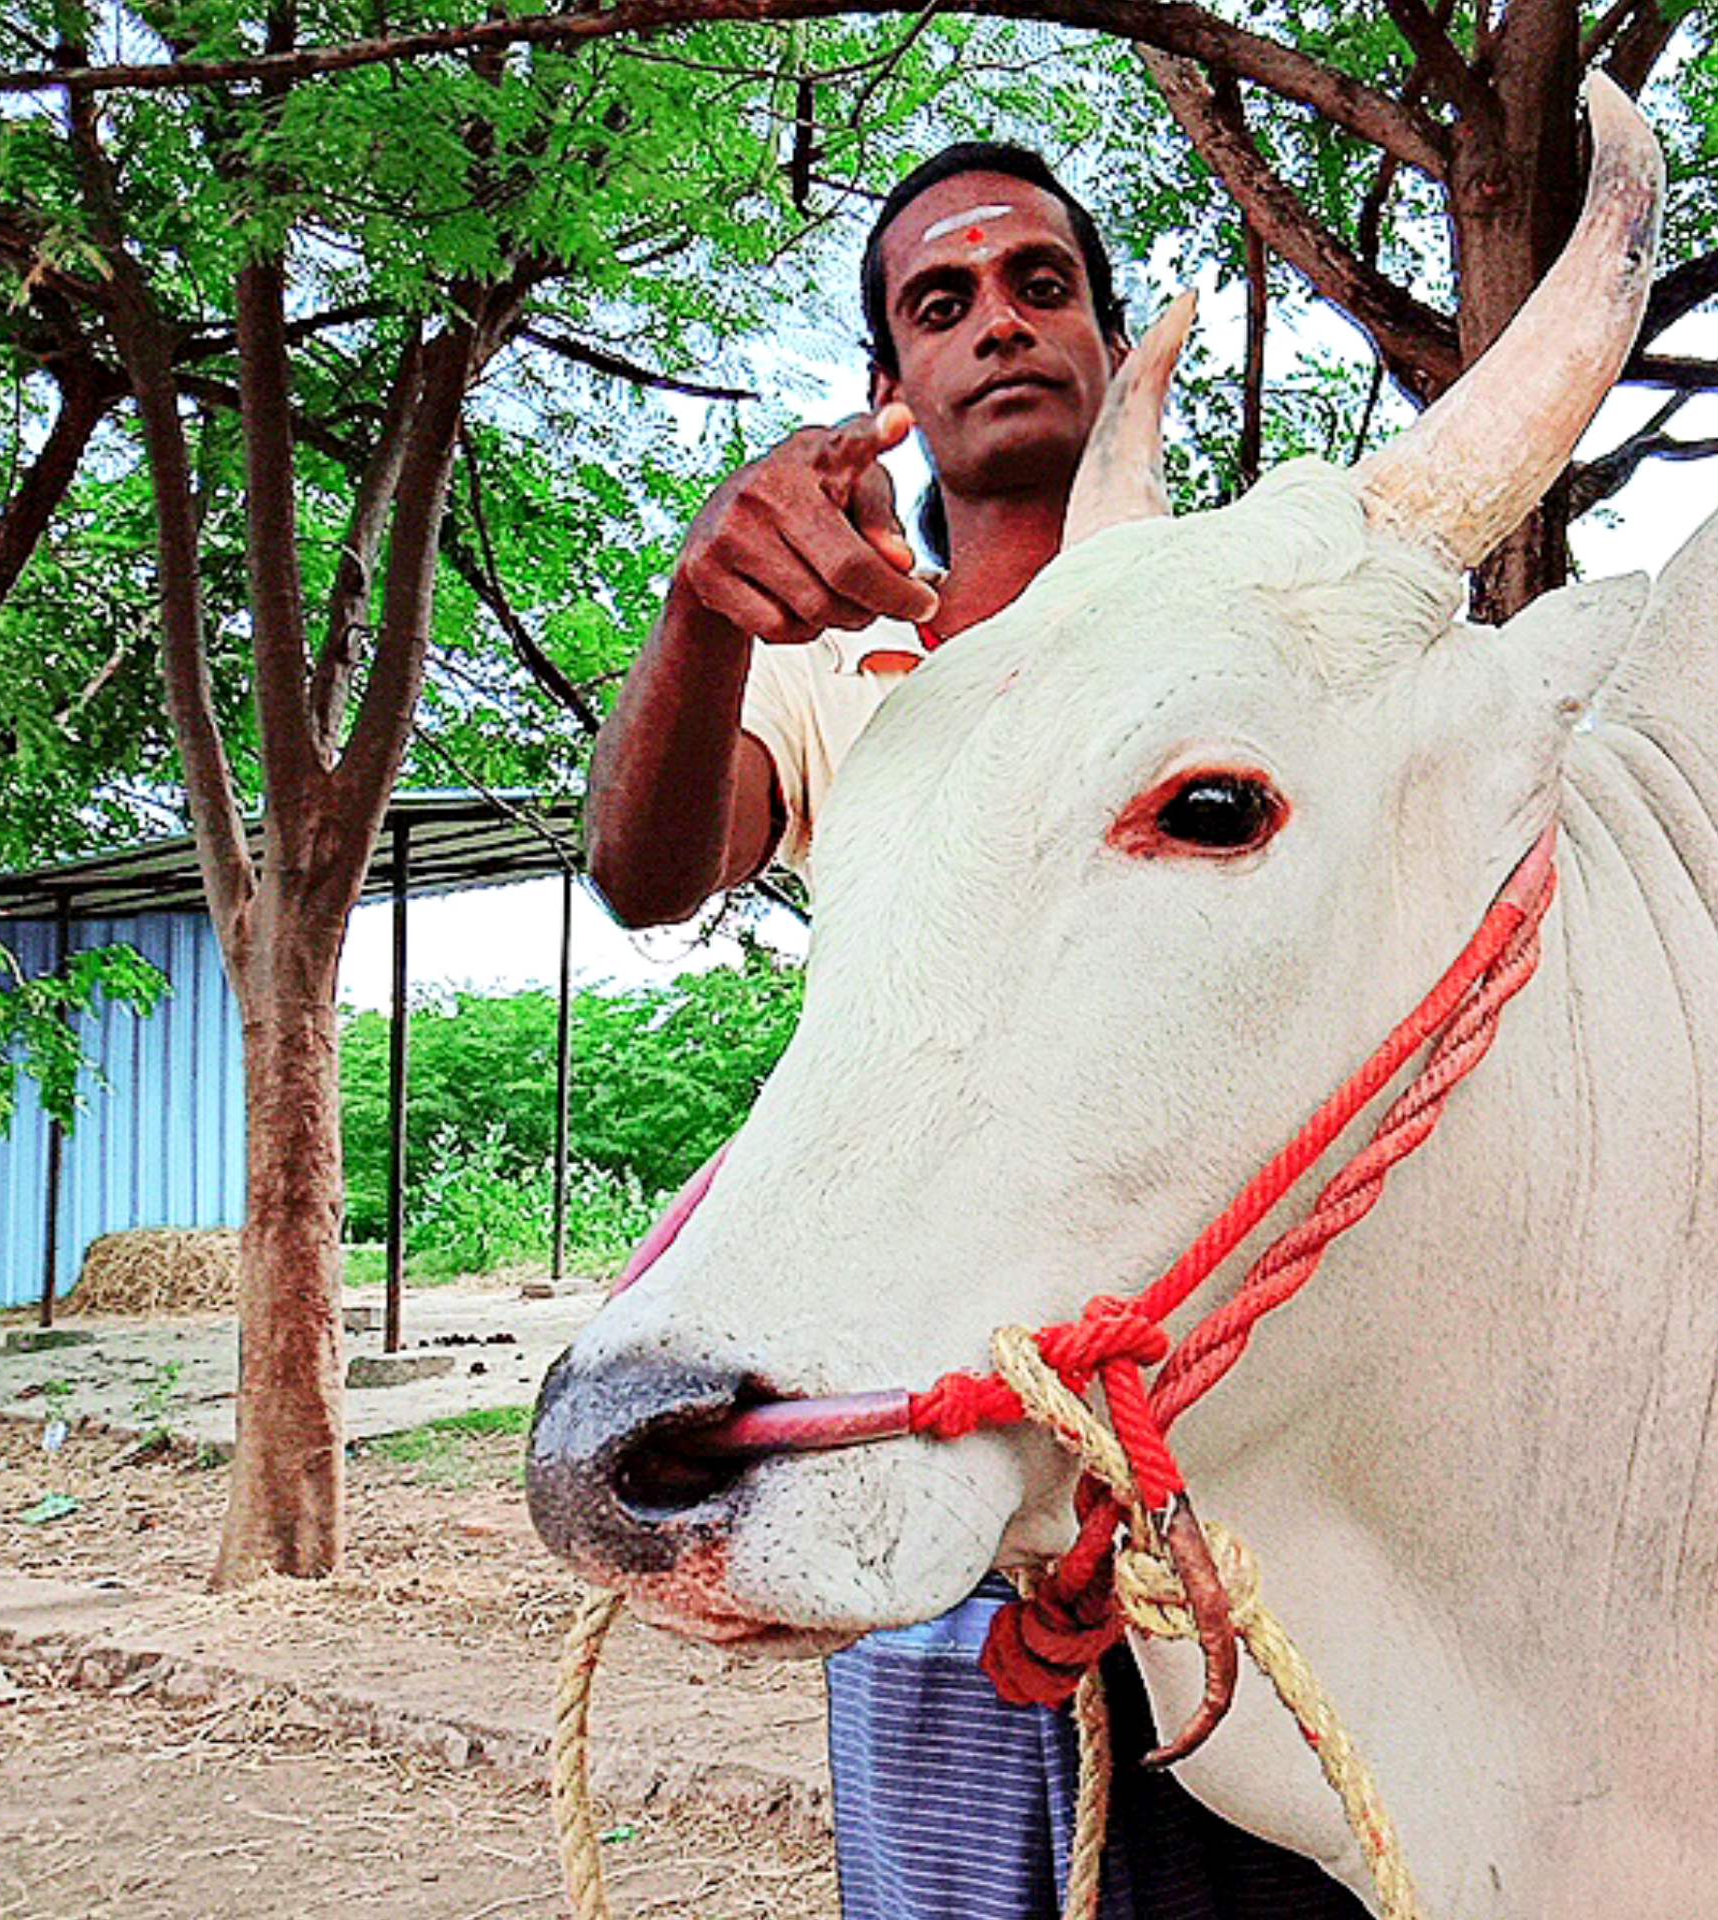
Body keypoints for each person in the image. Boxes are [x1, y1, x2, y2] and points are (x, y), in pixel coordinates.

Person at [584, 143, 1365, 1920]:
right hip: (925, 1366)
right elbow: (646, 875)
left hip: (1214, 1391)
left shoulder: (1236, 620)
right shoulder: (827, 653)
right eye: (942, 304)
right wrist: (708, 604)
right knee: (963, 1883)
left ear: (1099, 333)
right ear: (887, 393)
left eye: (1039, 285)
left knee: (1265, 1859)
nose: (998, 325)